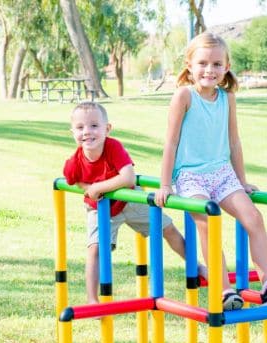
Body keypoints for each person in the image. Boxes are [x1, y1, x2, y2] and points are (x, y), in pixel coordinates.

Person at [154, 32, 267, 311]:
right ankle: (224, 290)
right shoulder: (184, 96)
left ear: (226, 67)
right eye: (202, 63)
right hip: (190, 175)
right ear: (189, 65)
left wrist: (242, 181)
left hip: (222, 173)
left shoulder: (227, 98)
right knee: (208, 221)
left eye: (216, 64)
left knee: (254, 217)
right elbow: (171, 142)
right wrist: (165, 184)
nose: (209, 70)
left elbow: (234, 141)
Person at [64, 101, 206, 304]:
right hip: (101, 209)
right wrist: (88, 188)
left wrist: (98, 187)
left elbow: (128, 177)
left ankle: (197, 266)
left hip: (131, 201)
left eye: (94, 125)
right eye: (80, 127)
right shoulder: (75, 161)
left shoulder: (113, 147)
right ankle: (92, 299)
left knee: (168, 229)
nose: (87, 132)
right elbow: (72, 179)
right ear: (72, 132)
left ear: (107, 129)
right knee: (94, 249)